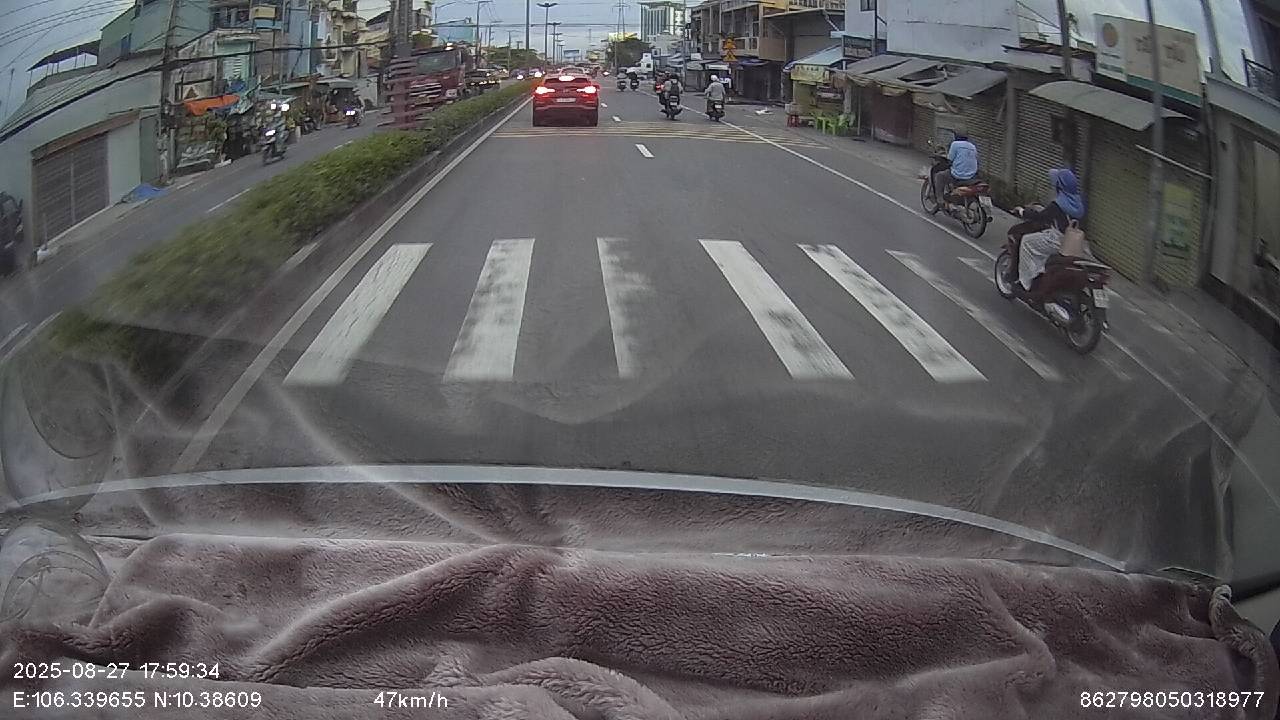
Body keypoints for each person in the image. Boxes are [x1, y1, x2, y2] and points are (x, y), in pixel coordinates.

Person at [1010, 168, 1086, 291]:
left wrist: (1022, 211)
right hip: (1073, 243)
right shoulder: (1078, 204)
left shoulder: (1058, 203)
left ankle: (1025, 282)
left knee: (1026, 241)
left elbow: (1040, 217)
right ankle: (1041, 273)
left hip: (1056, 240)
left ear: (1059, 186)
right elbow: (1056, 216)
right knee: (1039, 244)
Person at [932, 132, 979, 209]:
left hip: (958, 175)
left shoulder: (955, 144)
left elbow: (950, 159)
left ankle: (940, 200)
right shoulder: (972, 146)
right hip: (972, 175)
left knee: (939, 176)